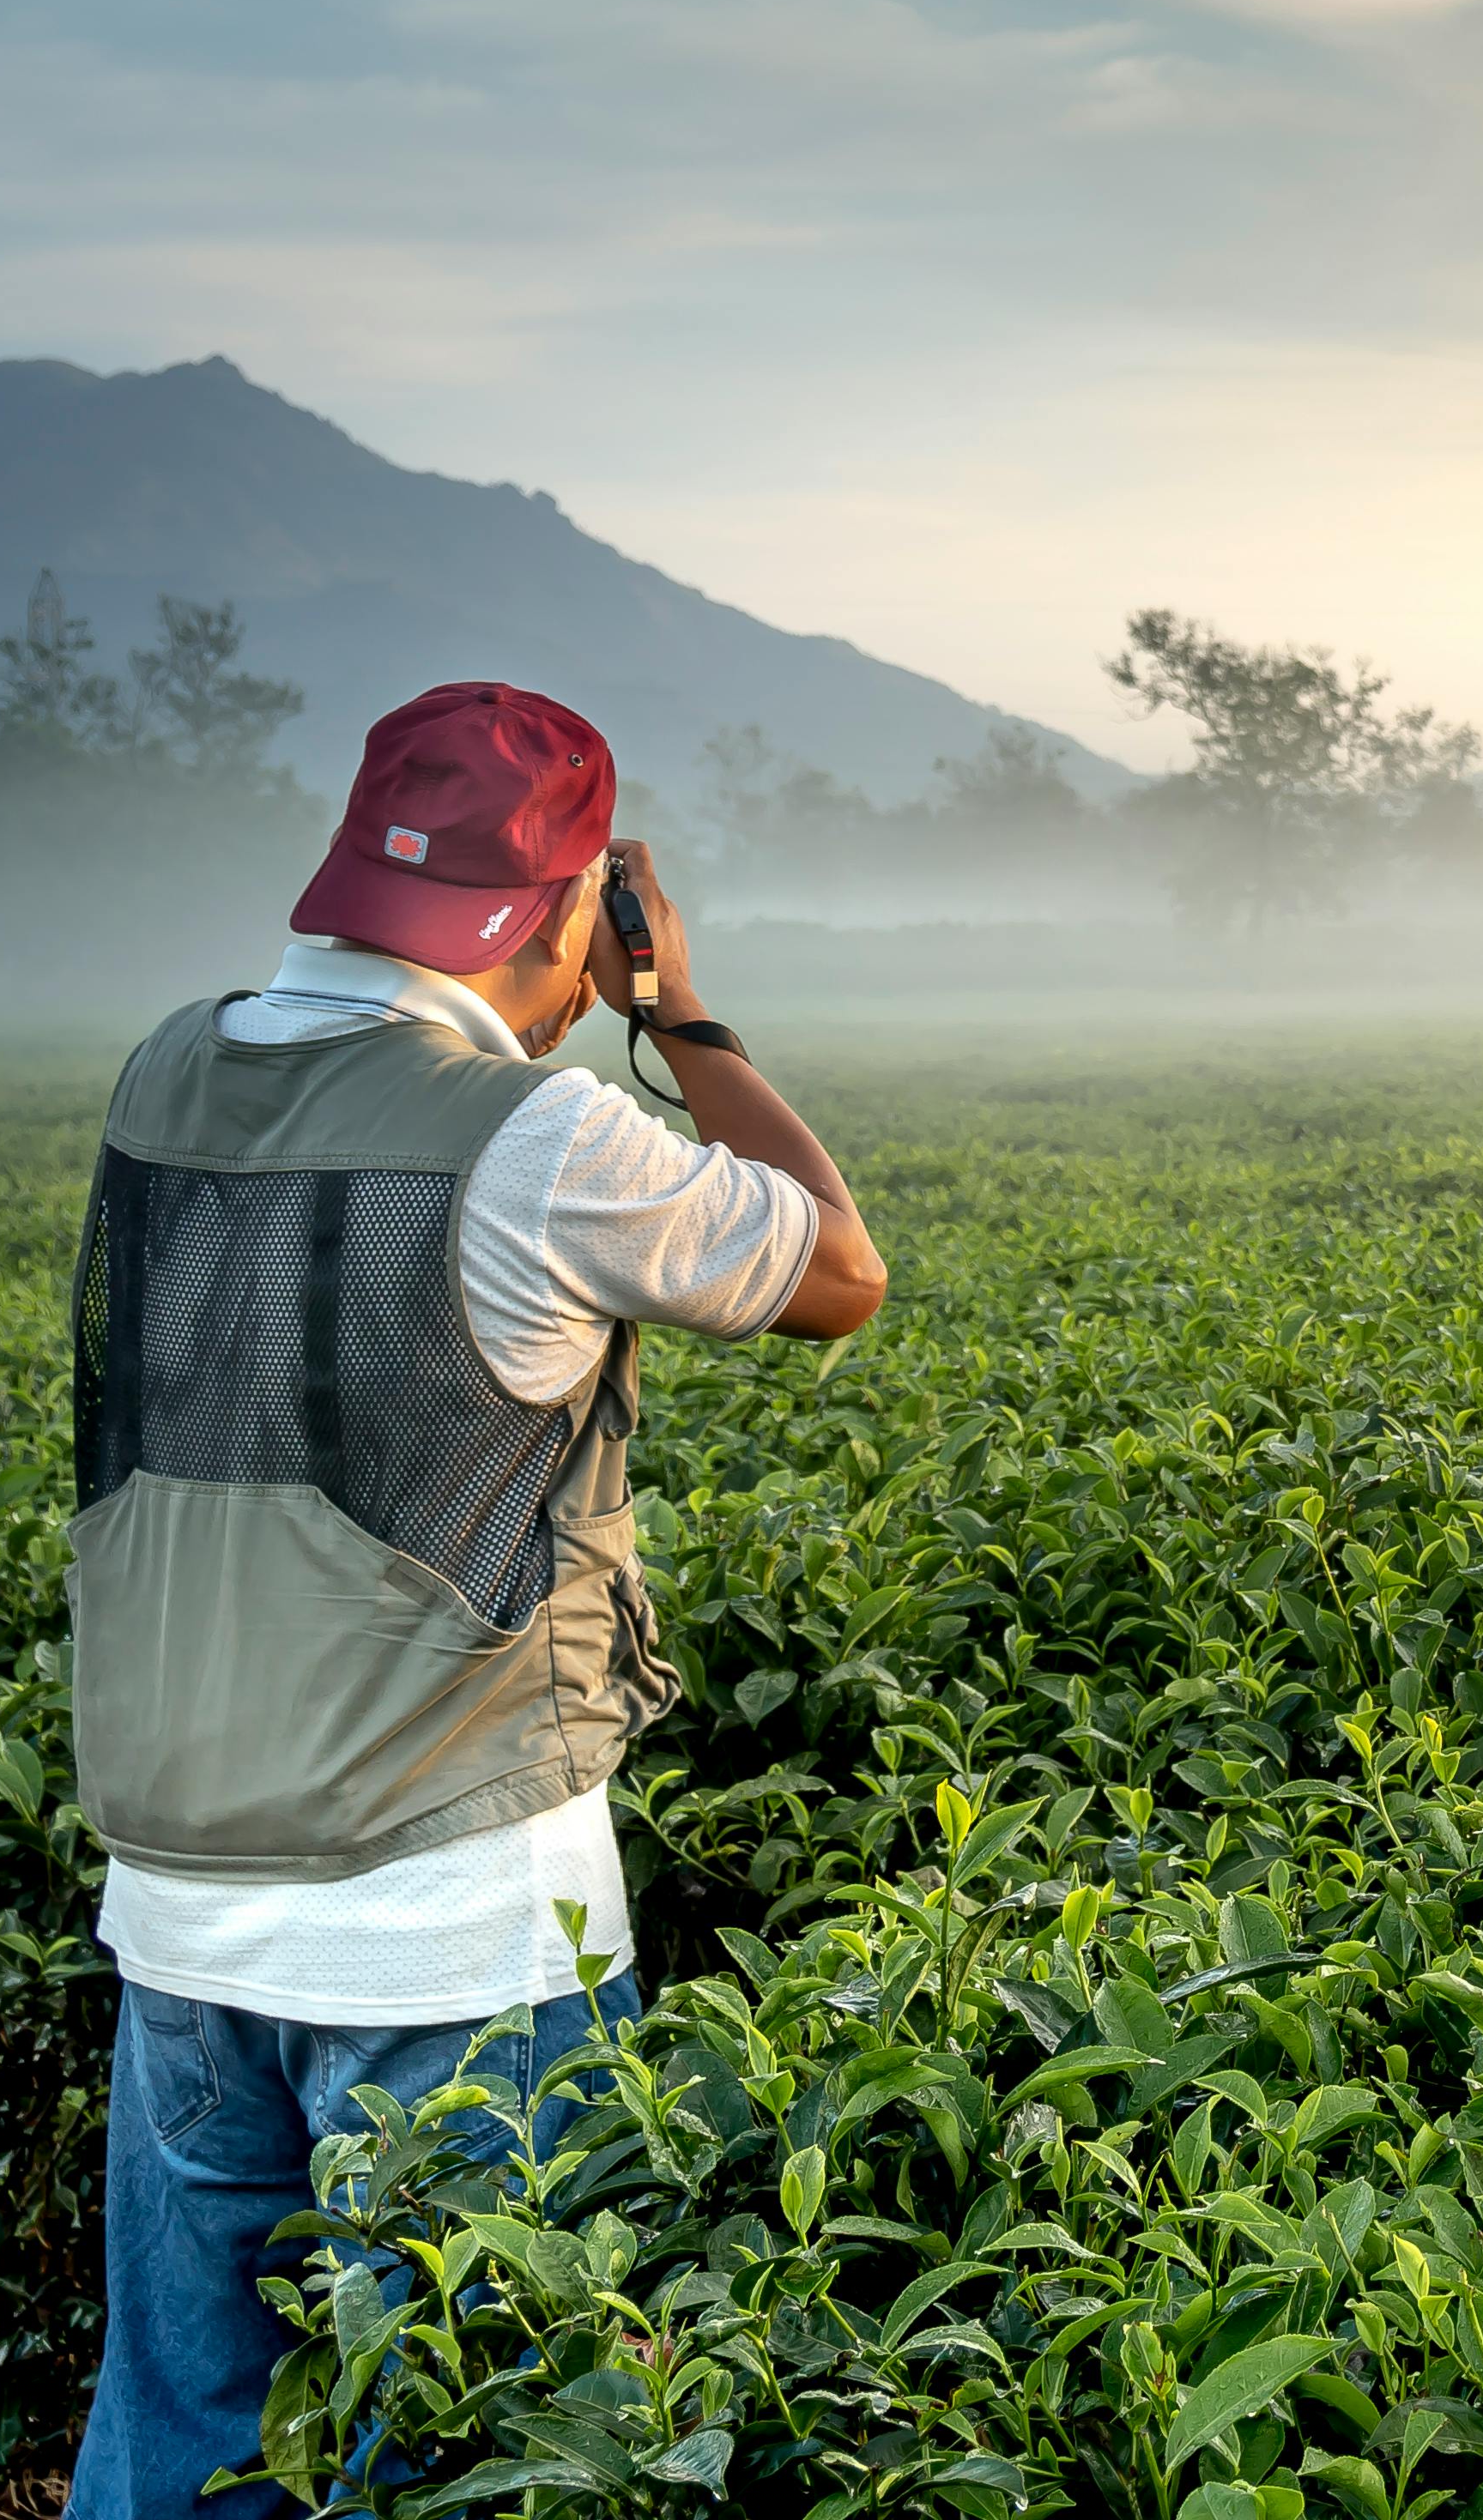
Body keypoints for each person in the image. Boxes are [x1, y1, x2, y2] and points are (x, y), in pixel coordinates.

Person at [62, 681, 883, 2520]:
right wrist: (679, 1011)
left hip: (181, 1914)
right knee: (473, 2455)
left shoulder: (159, 1077)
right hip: (450, 1929)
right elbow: (838, 1267)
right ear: (577, 912)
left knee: (183, 2453)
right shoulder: (536, 1138)